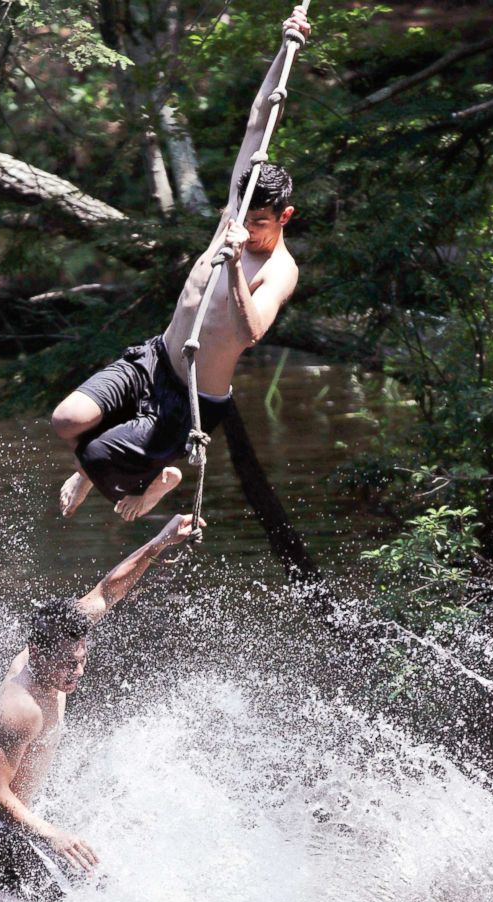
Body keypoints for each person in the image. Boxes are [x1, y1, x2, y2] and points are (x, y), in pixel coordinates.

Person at [51, 6, 312, 522]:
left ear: (285, 215)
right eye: (243, 216)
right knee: (67, 420)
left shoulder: (281, 268)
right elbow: (261, 117)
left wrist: (236, 262)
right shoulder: (236, 211)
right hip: (156, 359)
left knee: (99, 455)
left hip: (191, 398)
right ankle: (101, 469)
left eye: (260, 220)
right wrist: (286, 48)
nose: (247, 226)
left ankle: (156, 482)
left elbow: (252, 330)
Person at [0, 513, 202, 902]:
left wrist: (160, 541)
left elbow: (109, 589)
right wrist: (51, 833)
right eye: (68, 663)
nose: (78, 672)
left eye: (82, 659)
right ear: (36, 653)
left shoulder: (61, 636)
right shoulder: (20, 709)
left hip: (20, 827)